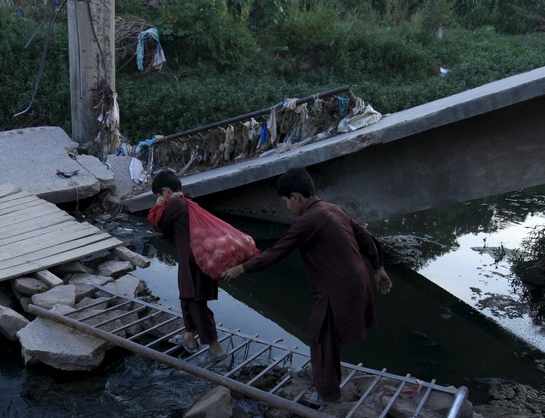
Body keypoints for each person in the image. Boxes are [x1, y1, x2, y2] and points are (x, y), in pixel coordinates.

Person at [222, 167, 392, 403]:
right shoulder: (333, 209)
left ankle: (328, 396)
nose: (287, 208)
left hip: (338, 287)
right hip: (355, 279)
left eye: (286, 202)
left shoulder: (309, 220)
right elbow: (365, 237)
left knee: (320, 336)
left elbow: (278, 252)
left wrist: (243, 268)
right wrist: (379, 267)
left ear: (296, 197)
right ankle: (322, 375)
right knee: (326, 336)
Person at [149, 170, 228, 360]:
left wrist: (158, 207)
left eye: (159, 196)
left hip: (193, 261)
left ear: (165, 191)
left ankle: (216, 348)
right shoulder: (185, 202)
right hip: (194, 258)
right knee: (187, 296)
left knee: (196, 301)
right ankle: (189, 337)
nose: (159, 199)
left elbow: (160, 227)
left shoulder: (175, 203)